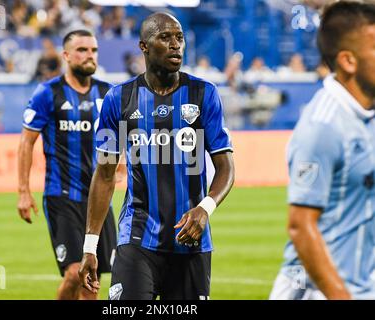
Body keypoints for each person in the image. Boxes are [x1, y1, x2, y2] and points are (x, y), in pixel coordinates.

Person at [78, 12, 235, 300]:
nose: (176, 44)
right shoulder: (119, 99)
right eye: (165, 37)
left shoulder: (204, 94)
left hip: (191, 240)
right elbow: (104, 175)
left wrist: (205, 209)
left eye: (179, 37)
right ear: (144, 47)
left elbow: (226, 167)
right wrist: (90, 246)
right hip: (136, 237)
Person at [269, 1, 375, 300]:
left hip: (361, 284)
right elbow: (301, 227)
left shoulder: (367, 113)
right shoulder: (324, 125)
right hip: (318, 291)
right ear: (348, 61)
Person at [17, 29, 117, 300]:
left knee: (90, 276)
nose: (90, 56)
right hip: (62, 196)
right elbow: (27, 142)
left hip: (98, 200)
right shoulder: (48, 93)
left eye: (94, 50)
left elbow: (120, 142)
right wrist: (24, 191)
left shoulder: (108, 94)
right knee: (75, 271)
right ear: (66, 55)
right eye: (82, 50)